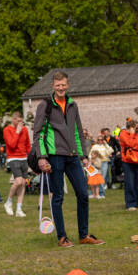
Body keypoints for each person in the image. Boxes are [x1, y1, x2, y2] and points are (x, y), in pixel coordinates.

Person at [32, 71, 104, 247]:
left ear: (68, 85)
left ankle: (84, 235)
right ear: (53, 86)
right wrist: (41, 157)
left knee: (83, 194)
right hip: (55, 157)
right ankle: (62, 237)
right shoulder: (45, 105)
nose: (61, 88)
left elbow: (78, 132)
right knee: (58, 197)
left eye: (63, 84)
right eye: (58, 85)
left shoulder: (73, 105)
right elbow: (38, 133)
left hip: (72, 157)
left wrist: (83, 156)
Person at [3, 111, 31, 217]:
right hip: (13, 158)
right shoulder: (7, 130)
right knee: (18, 181)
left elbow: (27, 144)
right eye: (18, 121)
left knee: (23, 183)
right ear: (13, 120)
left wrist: (31, 157)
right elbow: (11, 144)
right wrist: (17, 132)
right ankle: (8, 202)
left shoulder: (25, 129)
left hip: (24, 158)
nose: (20, 123)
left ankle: (19, 209)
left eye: (21, 121)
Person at [119, 119, 138, 210]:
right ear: (131, 127)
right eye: (136, 127)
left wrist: (135, 146)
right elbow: (129, 143)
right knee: (130, 183)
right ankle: (131, 204)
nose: (137, 129)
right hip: (128, 162)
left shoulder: (137, 135)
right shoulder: (123, 134)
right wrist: (132, 134)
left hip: (137, 161)